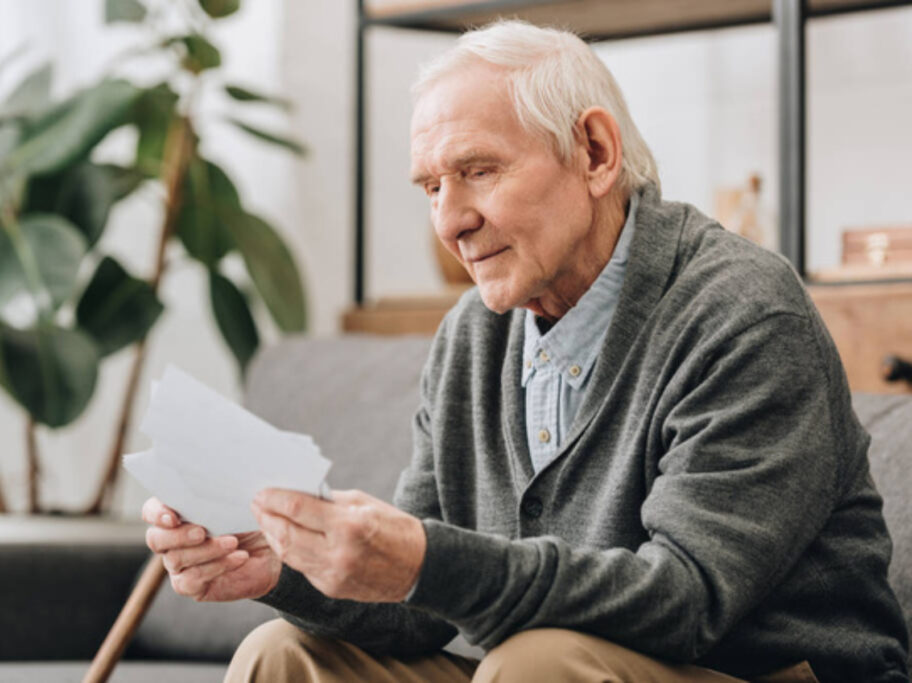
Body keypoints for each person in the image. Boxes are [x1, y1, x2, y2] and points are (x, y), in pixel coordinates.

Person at [142, 20, 909, 683]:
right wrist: (281, 569)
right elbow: (417, 614)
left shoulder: (742, 312)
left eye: (477, 171)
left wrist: (423, 560)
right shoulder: (472, 336)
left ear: (595, 152)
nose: (450, 222)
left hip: (764, 672)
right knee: (286, 654)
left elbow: (688, 597)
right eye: (430, 187)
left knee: (538, 664)